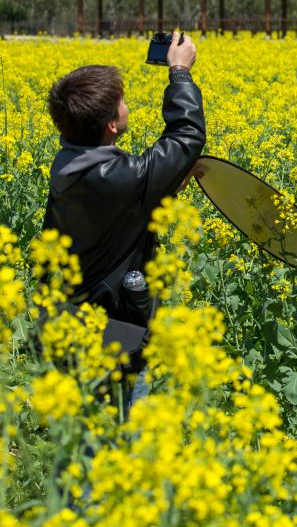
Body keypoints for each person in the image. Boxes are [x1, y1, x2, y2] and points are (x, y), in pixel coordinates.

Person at [44, 32, 205, 390]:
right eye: (122, 102)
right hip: (116, 325)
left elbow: (117, 208)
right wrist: (180, 72)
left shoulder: (69, 165)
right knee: (125, 407)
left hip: (75, 317)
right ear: (112, 125)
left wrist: (160, 186)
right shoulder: (120, 178)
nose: (126, 106)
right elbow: (186, 137)